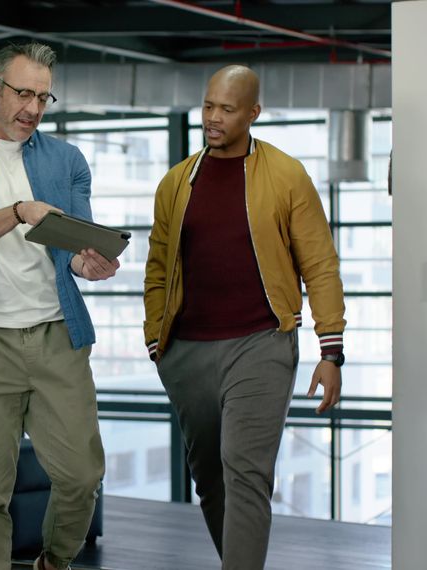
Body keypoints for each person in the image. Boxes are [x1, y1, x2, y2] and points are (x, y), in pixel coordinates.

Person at [0, 42, 120, 570]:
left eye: (43, 96)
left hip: (56, 336)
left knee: (81, 474)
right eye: (23, 93)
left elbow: (73, 246)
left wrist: (88, 264)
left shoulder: (67, 160)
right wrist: (18, 210)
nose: (33, 108)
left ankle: (54, 561)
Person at [143, 64, 346, 569]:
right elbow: (157, 266)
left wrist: (331, 348)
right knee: (209, 479)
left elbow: (319, 264)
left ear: (253, 113)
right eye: (208, 105)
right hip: (187, 351)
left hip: (261, 343)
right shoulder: (176, 182)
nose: (212, 118)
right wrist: (155, 341)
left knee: (246, 473)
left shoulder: (285, 175)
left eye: (226, 109)